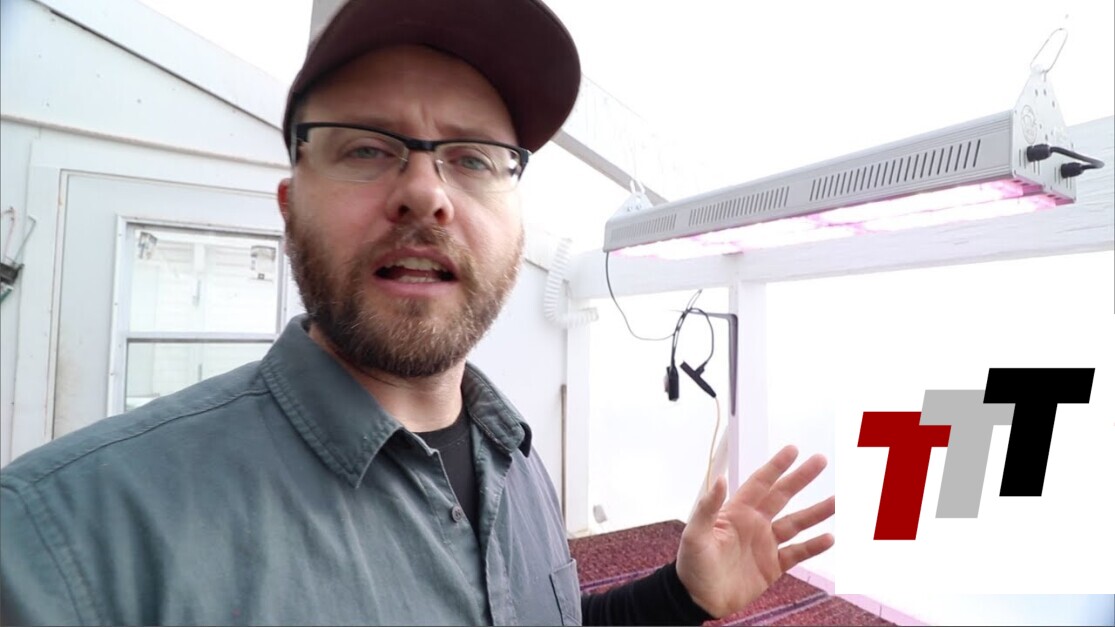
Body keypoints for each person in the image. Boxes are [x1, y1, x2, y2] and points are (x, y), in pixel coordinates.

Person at [0, 0, 836, 624]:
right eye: (368, 146)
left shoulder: (513, 459)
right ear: (289, 208)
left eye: (472, 158)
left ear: (516, 224)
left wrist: (679, 595)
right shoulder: (63, 544)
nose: (426, 193)